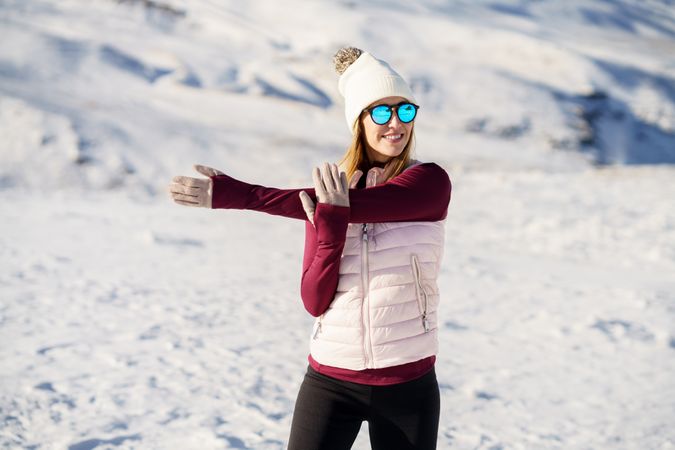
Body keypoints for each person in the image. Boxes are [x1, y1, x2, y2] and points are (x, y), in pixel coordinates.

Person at [169, 47, 451, 450]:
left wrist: (239, 195)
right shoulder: (329, 195)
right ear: (359, 122)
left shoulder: (428, 183)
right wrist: (330, 227)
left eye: (405, 111)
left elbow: (345, 206)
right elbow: (315, 301)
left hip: (407, 381)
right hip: (330, 380)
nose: (396, 124)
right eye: (382, 112)